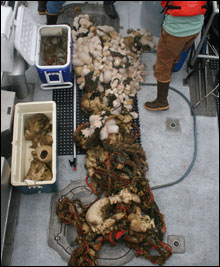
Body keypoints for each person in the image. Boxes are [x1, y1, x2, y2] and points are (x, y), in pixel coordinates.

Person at [144, 1, 207, 111]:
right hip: (195, 29)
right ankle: (170, 71)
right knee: (177, 52)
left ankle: (161, 101)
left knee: (163, 64)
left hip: (175, 31)